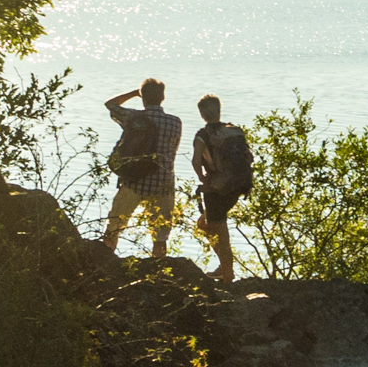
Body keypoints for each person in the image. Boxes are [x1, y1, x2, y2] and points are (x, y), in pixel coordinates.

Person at [102, 78, 184, 254]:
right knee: (160, 236)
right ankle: (158, 271)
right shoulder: (175, 122)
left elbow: (110, 104)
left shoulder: (133, 117)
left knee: (114, 227)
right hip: (163, 183)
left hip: (133, 181)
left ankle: (104, 263)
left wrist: (133, 93)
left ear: (143, 97)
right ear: (162, 97)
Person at [191, 94, 254, 282]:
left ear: (202, 114)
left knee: (221, 234)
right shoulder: (234, 131)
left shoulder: (203, 135)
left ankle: (228, 279)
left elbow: (196, 160)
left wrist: (202, 177)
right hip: (238, 185)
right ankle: (223, 267)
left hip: (217, 189)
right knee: (204, 224)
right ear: (219, 110)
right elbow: (248, 157)